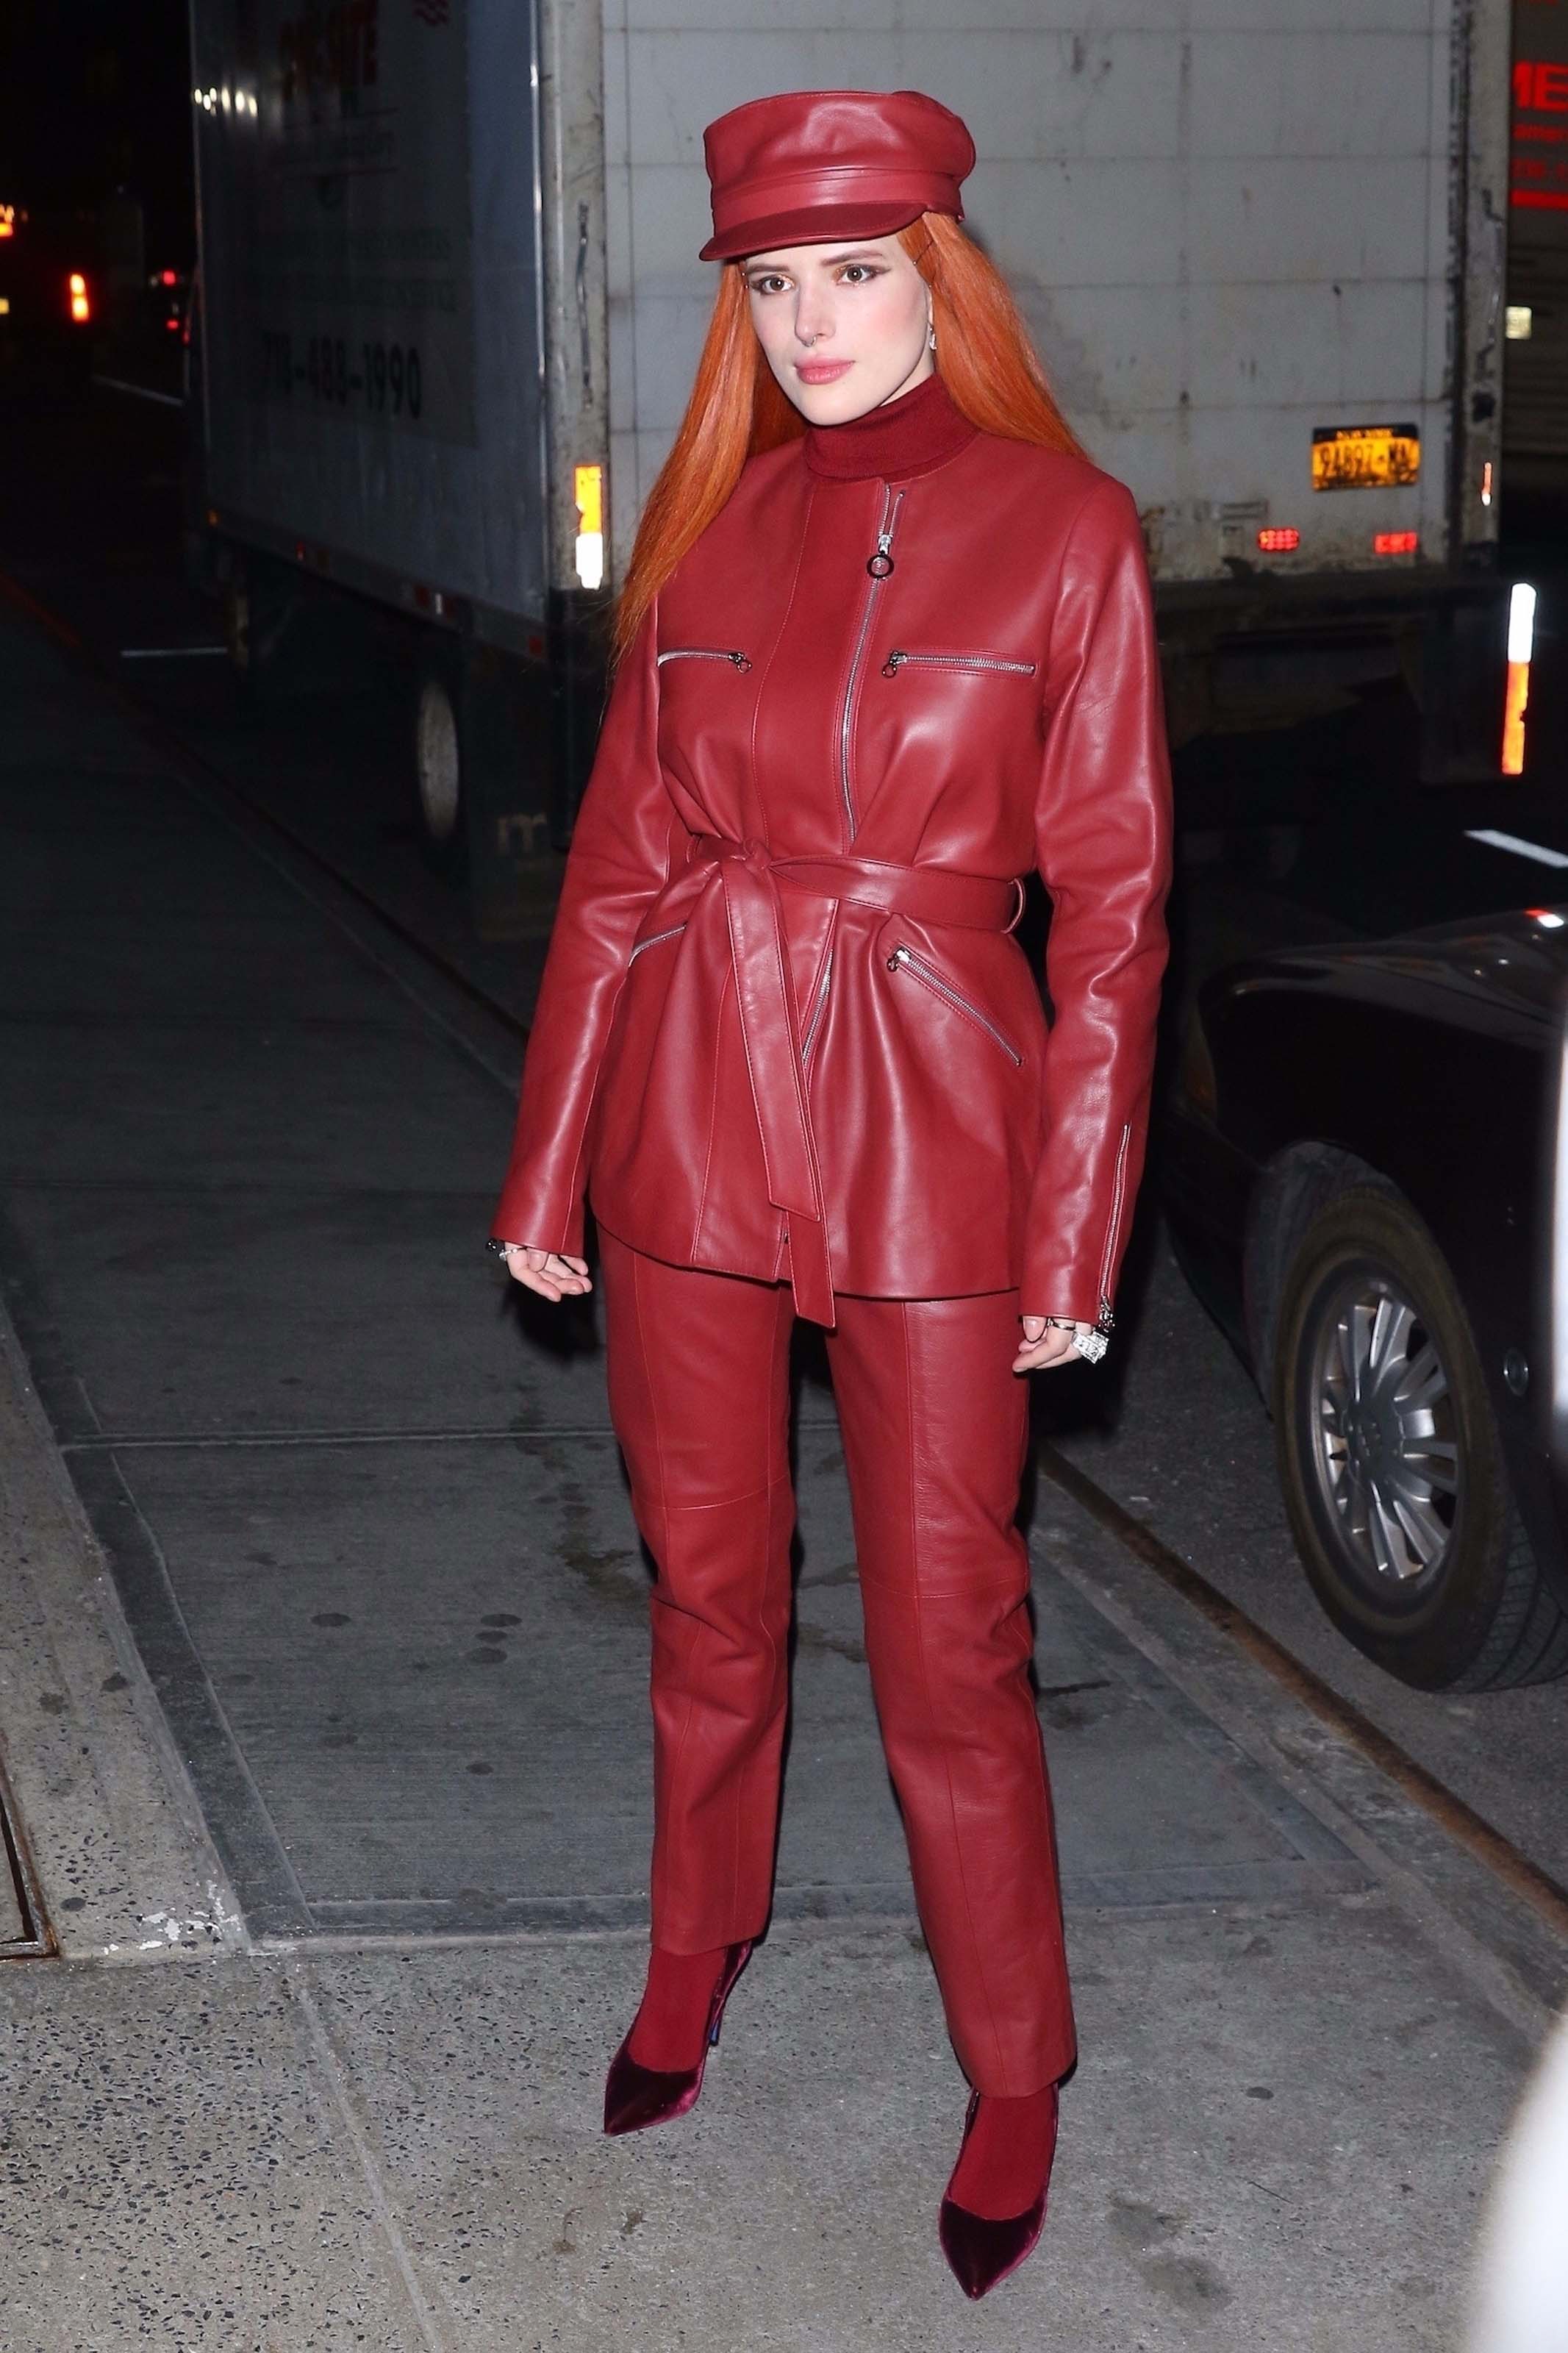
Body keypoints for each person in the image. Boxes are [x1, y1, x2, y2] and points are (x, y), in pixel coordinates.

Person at [489, 86, 1172, 2301]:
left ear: (939, 273)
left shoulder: (1069, 533)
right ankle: (696, 1952)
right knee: (707, 1592)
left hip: (943, 1141)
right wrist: (549, 1161)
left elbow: (1120, 917)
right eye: (772, 284)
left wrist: (1075, 1233)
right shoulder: (706, 531)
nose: (809, 321)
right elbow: (616, 874)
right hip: (694, 1108)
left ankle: (1014, 2070)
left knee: (952, 1645)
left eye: (853, 271)